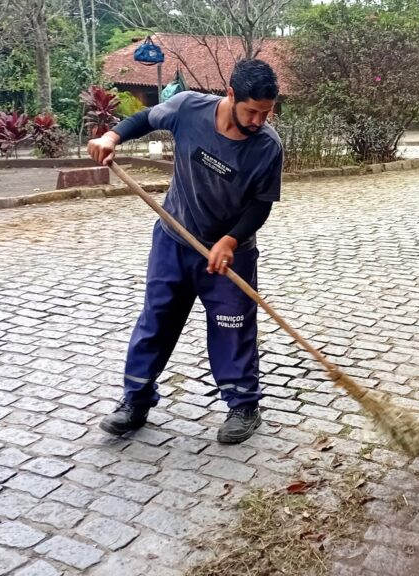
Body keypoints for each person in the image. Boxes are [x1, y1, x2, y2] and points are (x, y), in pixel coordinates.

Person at [88, 59, 283, 444]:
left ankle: (244, 406)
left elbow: (261, 204)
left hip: (231, 253)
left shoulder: (267, 146)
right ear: (231, 95)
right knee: (157, 319)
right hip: (174, 240)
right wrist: (111, 137)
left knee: (233, 327)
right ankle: (135, 400)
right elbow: (145, 118)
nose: (259, 120)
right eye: (252, 111)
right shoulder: (189, 108)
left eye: (267, 113)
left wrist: (230, 240)